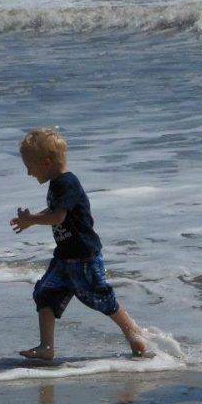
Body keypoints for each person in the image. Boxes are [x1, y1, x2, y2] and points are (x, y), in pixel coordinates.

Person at [10, 127, 147, 361]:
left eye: (28, 167)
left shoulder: (67, 182)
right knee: (45, 293)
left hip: (83, 255)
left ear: (45, 162)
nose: (28, 173)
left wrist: (32, 219)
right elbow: (56, 211)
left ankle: (133, 332)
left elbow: (58, 217)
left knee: (98, 296)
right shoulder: (57, 184)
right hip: (64, 256)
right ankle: (46, 347)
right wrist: (32, 221)